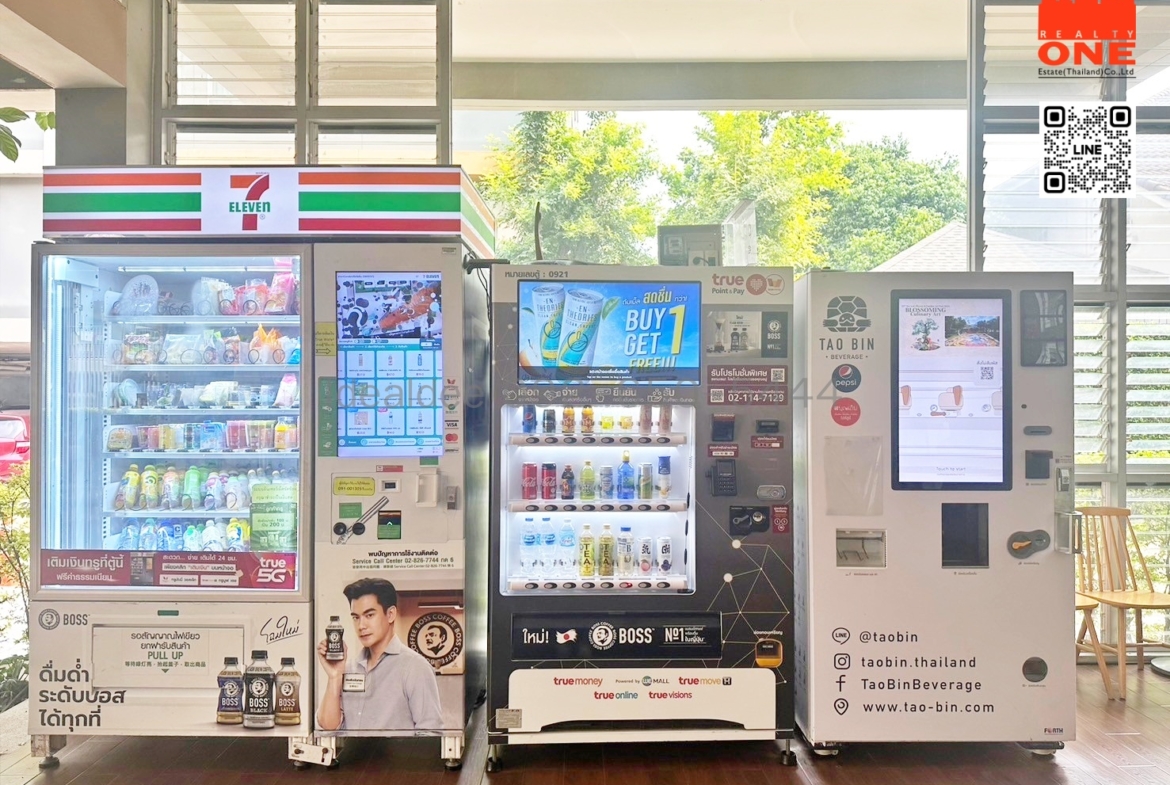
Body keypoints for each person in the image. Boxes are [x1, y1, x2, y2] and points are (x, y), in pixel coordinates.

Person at [316, 578, 443, 731]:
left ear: (390, 614)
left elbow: (430, 732)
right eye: (356, 617)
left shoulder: (415, 667)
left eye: (369, 615)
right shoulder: (349, 668)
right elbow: (328, 728)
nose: (361, 626)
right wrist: (334, 676)